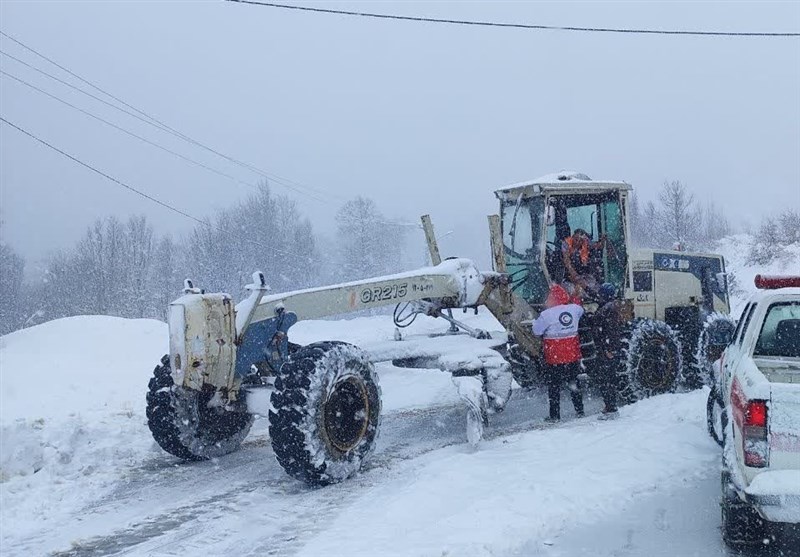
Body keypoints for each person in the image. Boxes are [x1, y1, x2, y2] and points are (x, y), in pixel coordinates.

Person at [532, 284, 585, 422]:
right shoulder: (575, 310)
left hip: (554, 359)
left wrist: (534, 322)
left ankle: (555, 416)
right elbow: (580, 310)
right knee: (574, 384)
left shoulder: (546, 315)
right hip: (572, 356)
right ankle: (580, 411)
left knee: (554, 388)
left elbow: (536, 331)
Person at [593, 282, 626, 419]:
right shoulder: (610, 307)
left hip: (607, 350)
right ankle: (609, 407)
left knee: (607, 379)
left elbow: (611, 331)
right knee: (607, 379)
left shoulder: (609, 309)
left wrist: (609, 349)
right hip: (606, 348)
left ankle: (611, 408)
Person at [561, 229, 606, 295]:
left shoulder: (586, 242)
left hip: (582, 272)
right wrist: (575, 276)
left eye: (580, 241)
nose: (578, 242)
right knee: (572, 291)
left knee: (595, 287)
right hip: (567, 275)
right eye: (576, 239)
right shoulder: (566, 244)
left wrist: (603, 240)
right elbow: (567, 262)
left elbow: (599, 246)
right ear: (573, 237)